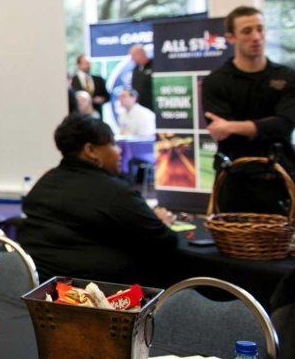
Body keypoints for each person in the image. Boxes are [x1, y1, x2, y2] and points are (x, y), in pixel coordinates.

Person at [16, 115, 177, 287]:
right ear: (91, 151)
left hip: (39, 292)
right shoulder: (115, 192)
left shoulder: (45, 182)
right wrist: (163, 222)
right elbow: (165, 241)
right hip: (95, 298)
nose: (119, 151)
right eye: (113, 144)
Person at [203, 5, 295, 175]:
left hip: (280, 170)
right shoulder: (215, 81)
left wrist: (232, 126)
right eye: (247, 31)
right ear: (231, 38)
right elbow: (221, 130)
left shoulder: (289, 78)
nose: (256, 37)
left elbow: (285, 124)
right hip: (233, 172)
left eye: (260, 29)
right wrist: (265, 126)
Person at [129, 45, 154, 110]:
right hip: (141, 107)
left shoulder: (155, 66)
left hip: (153, 105)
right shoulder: (136, 69)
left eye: (133, 56)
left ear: (141, 54)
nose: (132, 59)